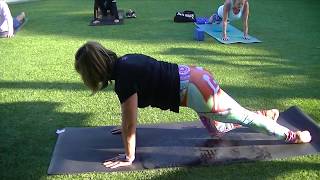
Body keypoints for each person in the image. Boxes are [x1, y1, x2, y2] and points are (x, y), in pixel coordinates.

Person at [74, 41, 312, 169]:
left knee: (241, 117)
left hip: (196, 90)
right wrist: (125, 128)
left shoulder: (124, 79)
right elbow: (129, 118)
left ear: (93, 72)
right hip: (194, 79)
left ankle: (294, 136)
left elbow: (130, 121)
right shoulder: (126, 62)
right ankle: (265, 114)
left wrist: (129, 156)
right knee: (217, 130)